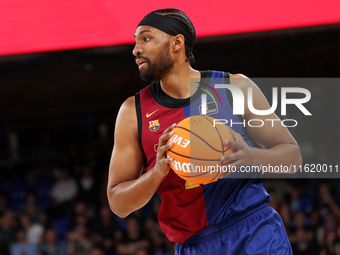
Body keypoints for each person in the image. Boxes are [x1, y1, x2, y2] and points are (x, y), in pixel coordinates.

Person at [107, 8, 302, 255]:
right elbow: (118, 203)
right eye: (135, 41)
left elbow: (292, 157)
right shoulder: (132, 112)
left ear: (177, 43)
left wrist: (250, 156)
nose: (135, 49)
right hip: (195, 246)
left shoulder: (235, 87)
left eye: (145, 38)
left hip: (254, 232)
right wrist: (156, 173)